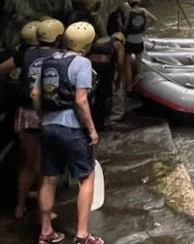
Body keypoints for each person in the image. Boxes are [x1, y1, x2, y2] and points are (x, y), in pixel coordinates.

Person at [34, 22, 102, 244]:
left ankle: (46, 232)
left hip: (47, 125)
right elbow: (81, 99)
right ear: (86, 45)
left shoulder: (47, 61)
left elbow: (35, 93)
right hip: (72, 127)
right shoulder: (81, 62)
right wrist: (92, 130)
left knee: (49, 178)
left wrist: (41, 116)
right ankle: (82, 235)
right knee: (86, 177)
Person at [12, 19, 65, 219]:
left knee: (27, 163)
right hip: (46, 114)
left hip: (25, 114)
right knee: (46, 164)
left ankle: (20, 207)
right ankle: (47, 212)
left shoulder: (25, 54)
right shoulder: (59, 57)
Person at [87, 32, 125, 130]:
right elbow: (121, 64)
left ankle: (91, 117)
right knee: (107, 94)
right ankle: (105, 120)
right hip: (105, 67)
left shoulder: (95, 41)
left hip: (90, 65)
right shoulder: (118, 45)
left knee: (91, 93)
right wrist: (118, 79)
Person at [123, 0, 157, 90]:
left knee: (128, 63)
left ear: (130, 2)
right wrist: (145, 28)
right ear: (138, 1)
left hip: (129, 40)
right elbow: (155, 19)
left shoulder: (128, 12)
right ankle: (139, 83)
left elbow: (125, 26)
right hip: (139, 40)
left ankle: (129, 86)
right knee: (138, 62)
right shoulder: (144, 11)